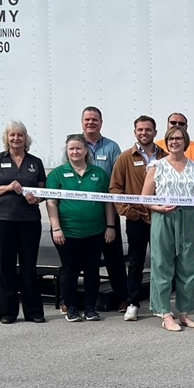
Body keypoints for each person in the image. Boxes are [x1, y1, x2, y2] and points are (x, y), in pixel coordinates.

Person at [141, 126, 194, 332]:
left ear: (185, 141)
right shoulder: (157, 166)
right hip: (163, 217)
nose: (174, 142)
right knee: (162, 264)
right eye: (171, 138)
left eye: (179, 138)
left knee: (188, 265)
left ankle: (184, 313)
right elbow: (144, 198)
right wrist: (158, 207)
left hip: (189, 218)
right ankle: (164, 312)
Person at [0, 121, 47, 324]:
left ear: (26, 138)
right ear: (6, 138)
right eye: (12, 135)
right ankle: (8, 312)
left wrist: (36, 198)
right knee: (5, 266)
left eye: (20, 135)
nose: (16, 138)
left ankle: (34, 311)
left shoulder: (35, 162)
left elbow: (43, 191)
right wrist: (7, 187)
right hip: (2, 220)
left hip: (29, 221)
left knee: (29, 266)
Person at [45, 134, 116, 323]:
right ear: (66, 152)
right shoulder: (57, 174)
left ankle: (90, 308)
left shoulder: (99, 174)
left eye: (78, 148)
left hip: (95, 231)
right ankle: (71, 307)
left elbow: (108, 203)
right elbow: (51, 202)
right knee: (70, 270)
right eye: (71, 149)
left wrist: (110, 226)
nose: (74, 152)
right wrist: (56, 228)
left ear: (86, 151)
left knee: (92, 270)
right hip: (67, 232)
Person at [109, 115, 167, 321]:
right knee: (136, 262)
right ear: (135, 132)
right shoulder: (125, 158)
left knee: (162, 262)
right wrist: (128, 211)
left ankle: (161, 304)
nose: (144, 133)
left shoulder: (165, 157)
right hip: (137, 220)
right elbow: (115, 188)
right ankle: (132, 303)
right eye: (140, 130)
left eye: (148, 130)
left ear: (155, 132)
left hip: (162, 218)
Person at [80, 106, 129, 312]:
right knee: (79, 258)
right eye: (87, 119)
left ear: (101, 122)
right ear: (82, 122)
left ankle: (123, 298)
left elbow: (119, 177)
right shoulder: (74, 145)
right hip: (82, 213)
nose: (91, 123)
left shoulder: (111, 147)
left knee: (114, 258)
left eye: (95, 120)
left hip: (107, 212)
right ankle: (73, 299)